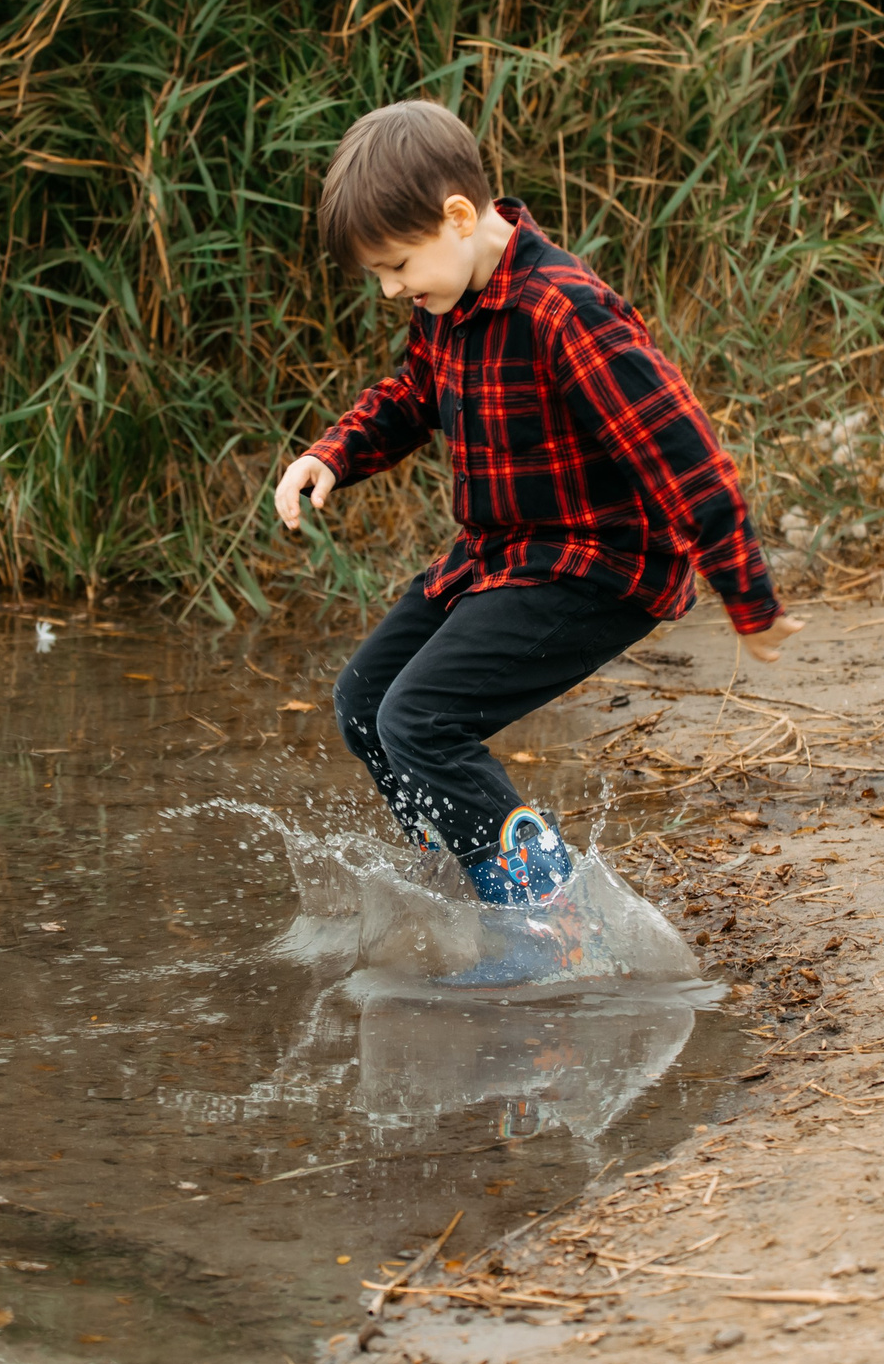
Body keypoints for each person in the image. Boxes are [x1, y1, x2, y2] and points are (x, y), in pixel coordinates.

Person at [274, 101, 803, 983]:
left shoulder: (568, 312)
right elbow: (412, 392)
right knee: (366, 700)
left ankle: (551, 922)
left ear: (456, 217)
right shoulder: (450, 302)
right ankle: (467, 883)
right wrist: (333, 453)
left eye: (397, 267)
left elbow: (689, 457)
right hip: (504, 553)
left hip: (602, 563)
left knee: (423, 719)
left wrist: (749, 597)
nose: (391, 290)